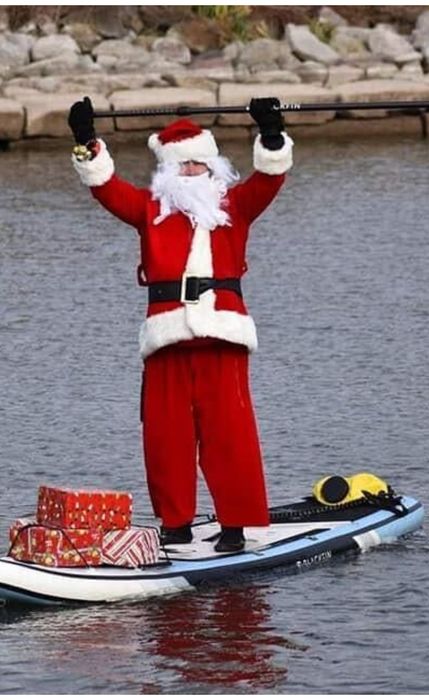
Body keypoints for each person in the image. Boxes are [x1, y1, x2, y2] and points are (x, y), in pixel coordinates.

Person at [67, 95, 293, 553]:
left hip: (222, 336)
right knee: (164, 434)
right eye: (182, 166)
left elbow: (270, 178)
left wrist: (270, 133)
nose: (191, 172)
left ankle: (236, 525)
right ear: (168, 171)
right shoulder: (149, 210)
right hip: (166, 337)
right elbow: (106, 187)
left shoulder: (235, 207)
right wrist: (86, 140)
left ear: (213, 167)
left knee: (229, 433)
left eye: (198, 165)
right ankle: (176, 524)